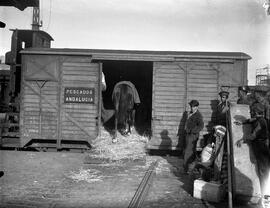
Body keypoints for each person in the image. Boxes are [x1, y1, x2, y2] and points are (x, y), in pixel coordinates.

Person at [235, 102, 270, 196]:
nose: (250, 112)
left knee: (263, 171)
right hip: (260, 146)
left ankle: (265, 194)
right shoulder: (259, 119)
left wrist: (243, 139)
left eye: (252, 111)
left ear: (255, 112)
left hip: (262, 147)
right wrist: (243, 122)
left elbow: (253, 135)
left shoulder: (261, 122)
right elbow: (251, 120)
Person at [183, 99, 204, 174]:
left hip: (193, 136)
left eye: (193, 106)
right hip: (188, 135)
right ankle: (190, 168)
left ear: (197, 107)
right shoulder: (190, 114)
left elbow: (201, 126)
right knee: (190, 151)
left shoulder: (198, 115)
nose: (192, 108)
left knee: (188, 152)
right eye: (191, 106)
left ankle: (186, 169)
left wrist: (193, 131)